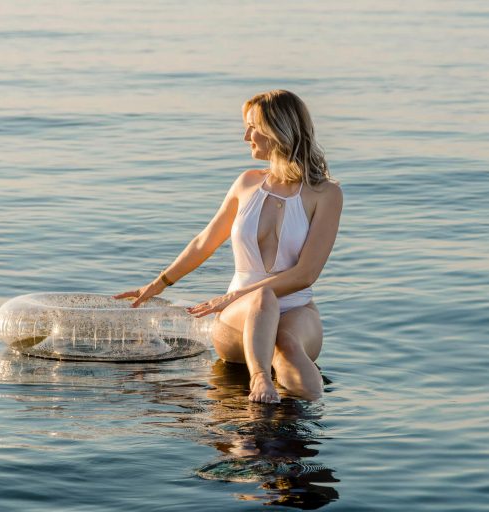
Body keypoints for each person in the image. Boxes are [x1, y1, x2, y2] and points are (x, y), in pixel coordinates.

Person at [115, 90, 342, 403]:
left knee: (287, 345)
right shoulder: (246, 183)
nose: (245, 135)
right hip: (237, 317)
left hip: (296, 309)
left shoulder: (326, 194)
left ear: (278, 131)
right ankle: (260, 379)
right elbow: (204, 242)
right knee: (262, 299)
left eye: (253, 127)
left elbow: (306, 274)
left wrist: (233, 295)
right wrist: (159, 283)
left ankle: (312, 419)